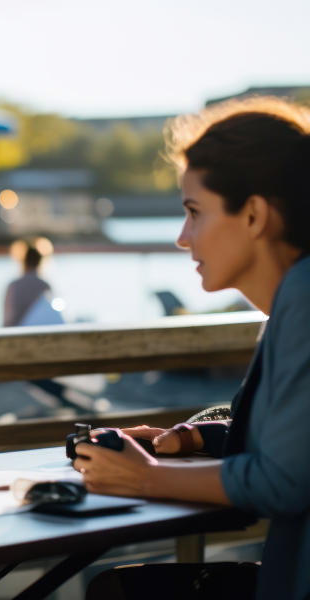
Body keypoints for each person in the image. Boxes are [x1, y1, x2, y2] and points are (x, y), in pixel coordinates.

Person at [77, 98, 310, 600]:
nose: (184, 238)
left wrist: (148, 479)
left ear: (252, 215)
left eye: (194, 213)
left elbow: (283, 481)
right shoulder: (292, 300)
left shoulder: (305, 300)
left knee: (118, 595)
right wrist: (191, 439)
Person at [4, 244, 53, 327]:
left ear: (24, 262)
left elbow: (7, 318)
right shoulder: (45, 286)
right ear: (39, 262)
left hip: (17, 332)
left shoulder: (14, 285)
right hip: (39, 331)